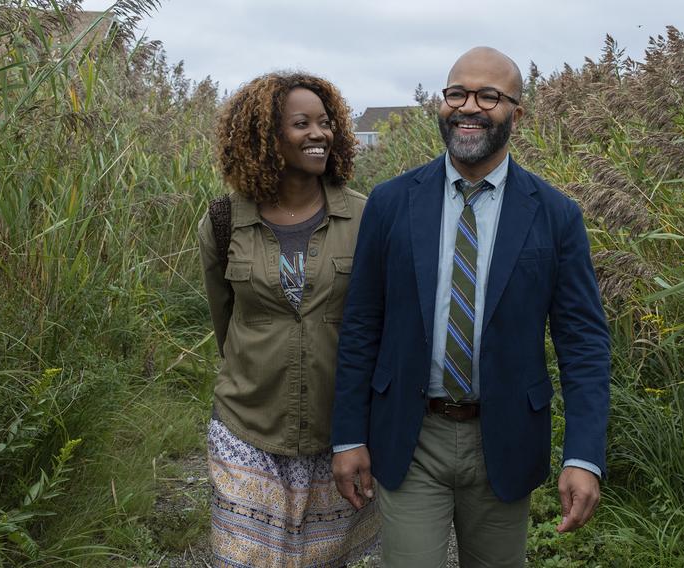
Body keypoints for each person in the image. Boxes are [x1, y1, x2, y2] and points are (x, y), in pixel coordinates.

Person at [330, 46, 611, 567]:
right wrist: (347, 435)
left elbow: (583, 343)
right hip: (411, 435)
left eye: (489, 95)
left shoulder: (554, 215)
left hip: (504, 438)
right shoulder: (391, 202)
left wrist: (583, 455)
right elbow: (362, 325)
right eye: (457, 92)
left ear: (516, 114)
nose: (469, 107)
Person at [198, 72, 380, 568]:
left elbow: (377, 326)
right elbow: (225, 319)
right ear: (265, 136)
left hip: (334, 431)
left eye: (325, 123)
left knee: (322, 561)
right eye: (301, 123)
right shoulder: (223, 220)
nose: (318, 133)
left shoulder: (367, 218)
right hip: (246, 424)